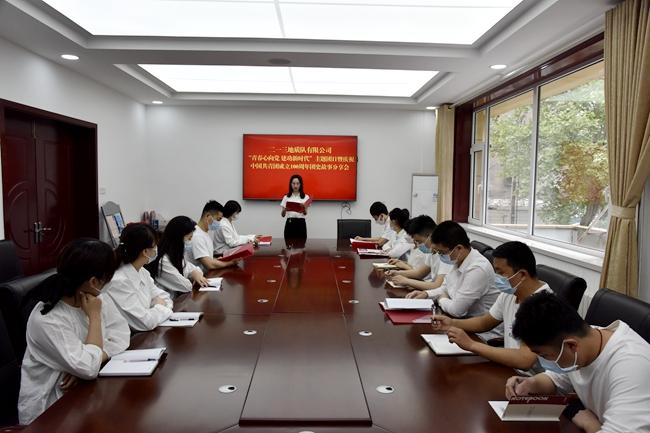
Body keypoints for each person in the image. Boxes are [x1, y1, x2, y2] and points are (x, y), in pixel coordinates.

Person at [18, 239, 130, 424]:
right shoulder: (49, 318)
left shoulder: (95, 297)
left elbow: (121, 333)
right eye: (108, 276)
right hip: (50, 410)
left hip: (86, 392)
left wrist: (89, 362)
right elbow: (88, 367)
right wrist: (94, 318)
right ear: (93, 281)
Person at [505, 292, 650, 433]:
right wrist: (531, 383)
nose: (544, 361)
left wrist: (591, 425)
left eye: (545, 355)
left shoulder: (632, 367)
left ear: (571, 346)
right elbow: (557, 379)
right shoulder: (584, 341)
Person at [431, 241, 550, 373]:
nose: (496, 278)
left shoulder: (544, 305)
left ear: (522, 275)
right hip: (508, 368)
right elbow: (484, 322)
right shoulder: (510, 293)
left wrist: (471, 345)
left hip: (531, 378)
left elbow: (524, 360)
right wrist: (452, 323)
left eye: (500, 272)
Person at [406, 221, 500, 338]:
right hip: (460, 323)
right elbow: (445, 287)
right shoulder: (458, 259)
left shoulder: (477, 269)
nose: (440, 256)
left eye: (442, 252)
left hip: (481, 335)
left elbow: (456, 310)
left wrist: (441, 298)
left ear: (459, 248)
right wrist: (426, 294)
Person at [104, 223, 174, 331]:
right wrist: (159, 306)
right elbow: (145, 322)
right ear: (145, 252)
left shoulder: (142, 271)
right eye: (155, 245)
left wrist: (156, 308)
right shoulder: (118, 281)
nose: (157, 249)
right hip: (130, 338)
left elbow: (165, 298)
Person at [385, 215, 450, 291]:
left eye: (419, 241)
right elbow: (419, 273)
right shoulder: (432, 253)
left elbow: (437, 285)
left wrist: (407, 281)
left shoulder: (445, 254)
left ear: (430, 236)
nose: (418, 245)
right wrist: (396, 273)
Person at [146, 216, 209, 293]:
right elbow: (186, 286)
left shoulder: (175, 255)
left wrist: (195, 273)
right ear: (178, 238)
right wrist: (194, 275)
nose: (190, 241)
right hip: (168, 299)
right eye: (189, 238)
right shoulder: (163, 260)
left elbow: (193, 269)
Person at [189, 200, 238, 270]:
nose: (219, 223)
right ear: (208, 216)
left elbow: (208, 258)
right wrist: (230, 263)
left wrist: (217, 260)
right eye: (218, 219)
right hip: (202, 275)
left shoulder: (205, 234)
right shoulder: (197, 236)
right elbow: (209, 265)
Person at [281, 174, 310, 243]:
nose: (295, 186)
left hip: (301, 224)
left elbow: (305, 213)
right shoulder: (286, 197)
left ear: (300, 184)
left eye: (297, 183)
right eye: (293, 183)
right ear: (291, 184)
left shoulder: (306, 197)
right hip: (289, 224)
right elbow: (283, 215)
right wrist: (284, 210)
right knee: (288, 245)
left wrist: (303, 208)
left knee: (301, 246)